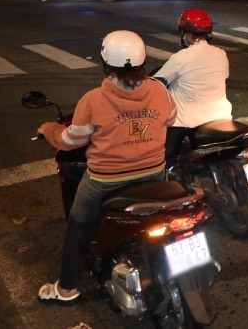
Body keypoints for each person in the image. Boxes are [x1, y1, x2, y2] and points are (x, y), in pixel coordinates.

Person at [37, 31, 176, 305]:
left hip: (105, 179)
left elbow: (70, 141)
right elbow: (170, 118)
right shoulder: (159, 90)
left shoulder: (93, 99)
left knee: (78, 223)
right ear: (143, 60)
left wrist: (48, 129)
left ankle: (67, 288)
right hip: (153, 172)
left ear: (105, 62)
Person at [153, 9, 232, 164]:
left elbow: (156, 83)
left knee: (160, 159)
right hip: (221, 116)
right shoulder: (221, 53)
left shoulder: (181, 57)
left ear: (184, 33)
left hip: (187, 122)